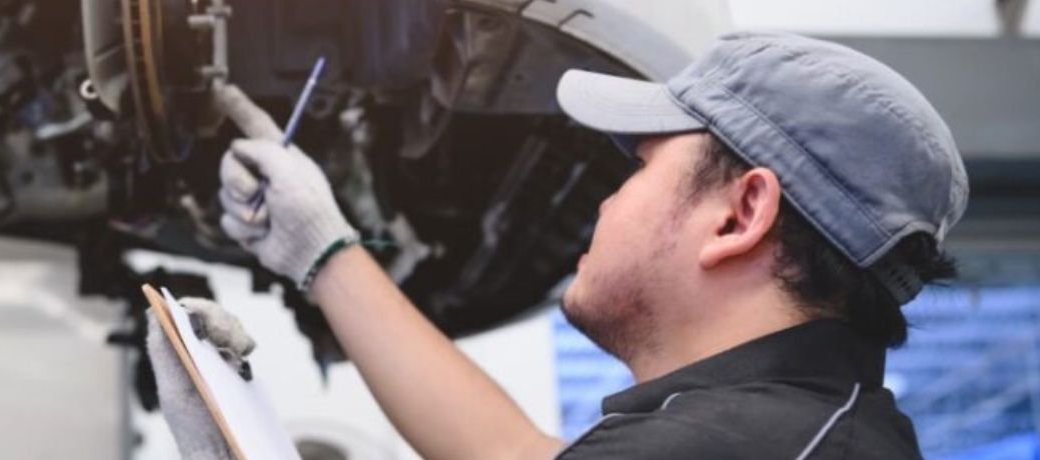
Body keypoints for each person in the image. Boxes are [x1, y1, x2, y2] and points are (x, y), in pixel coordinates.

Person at [150, 31, 969, 459]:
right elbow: (511, 452)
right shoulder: (805, 426)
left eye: (640, 167)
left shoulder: (725, 448)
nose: (608, 201)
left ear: (738, 215)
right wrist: (320, 249)